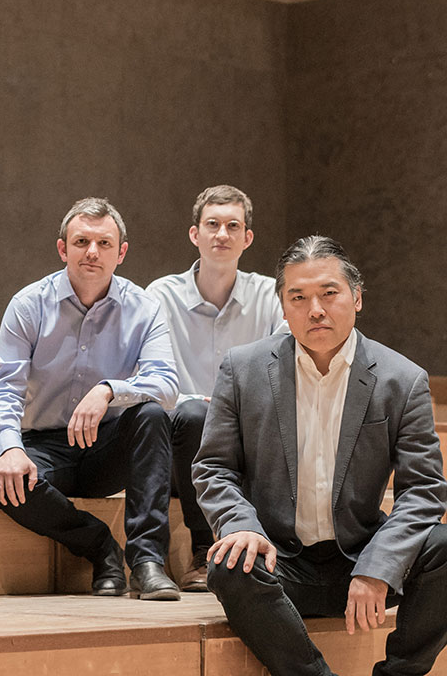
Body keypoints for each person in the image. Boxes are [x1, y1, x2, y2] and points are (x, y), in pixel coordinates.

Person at [194, 235, 447, 676]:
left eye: (329, 293)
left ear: (357, 297)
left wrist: (377, 568)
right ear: (283, 307)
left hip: (360, 555)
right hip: (277, 561)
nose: (316, 309)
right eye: (299, 297)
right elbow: (214, 467)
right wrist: (241, 526)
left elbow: (424, 491)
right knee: (229, 564)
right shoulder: (242, 369)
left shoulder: (402, 380)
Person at [0, 197, 181, 600]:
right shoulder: (28, 304)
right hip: (47, 446)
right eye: (81, 242)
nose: (92, 252)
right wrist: (9, 447)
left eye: (104, 244)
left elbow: (166, 383)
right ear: (63, 249)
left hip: (107, 445)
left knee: (151, 415)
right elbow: (6, 387)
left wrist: (110, 390)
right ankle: (101, 547)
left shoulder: (145, 308)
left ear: (121, 253)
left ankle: (147, 562)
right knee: (5, 484)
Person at [147, 185, 286, 591]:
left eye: (232, 226)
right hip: (181, 451)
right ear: (195, 235)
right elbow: (151, 377)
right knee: (193, 414)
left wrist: (228, 408)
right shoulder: (161, 295)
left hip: (247, 445)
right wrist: (205, 404)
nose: (222, 234)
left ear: (247, 238)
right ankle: (202, 550)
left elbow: (281, 373)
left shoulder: (269, 295)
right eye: (212, 224)